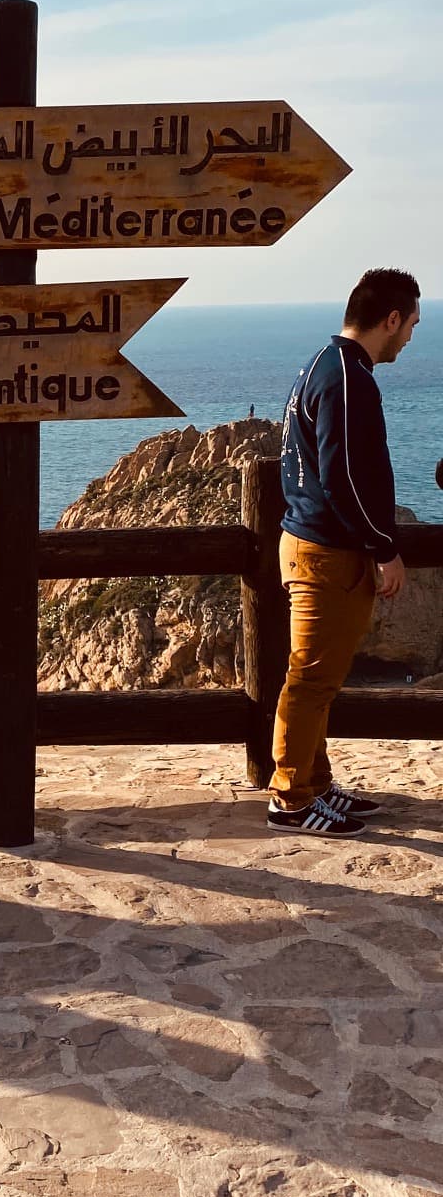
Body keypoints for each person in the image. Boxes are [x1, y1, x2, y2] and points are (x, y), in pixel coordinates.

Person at [268, 267, 421, 836]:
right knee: (309, 679)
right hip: (325, 552)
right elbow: (345, 476)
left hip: (314, 544)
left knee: (322, 678)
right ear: (390, 318)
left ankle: (313, 782)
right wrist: (384, 549)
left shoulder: (324, 366)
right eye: (410, 326)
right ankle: (289, 800)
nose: (409, 338)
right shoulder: (348, 379)